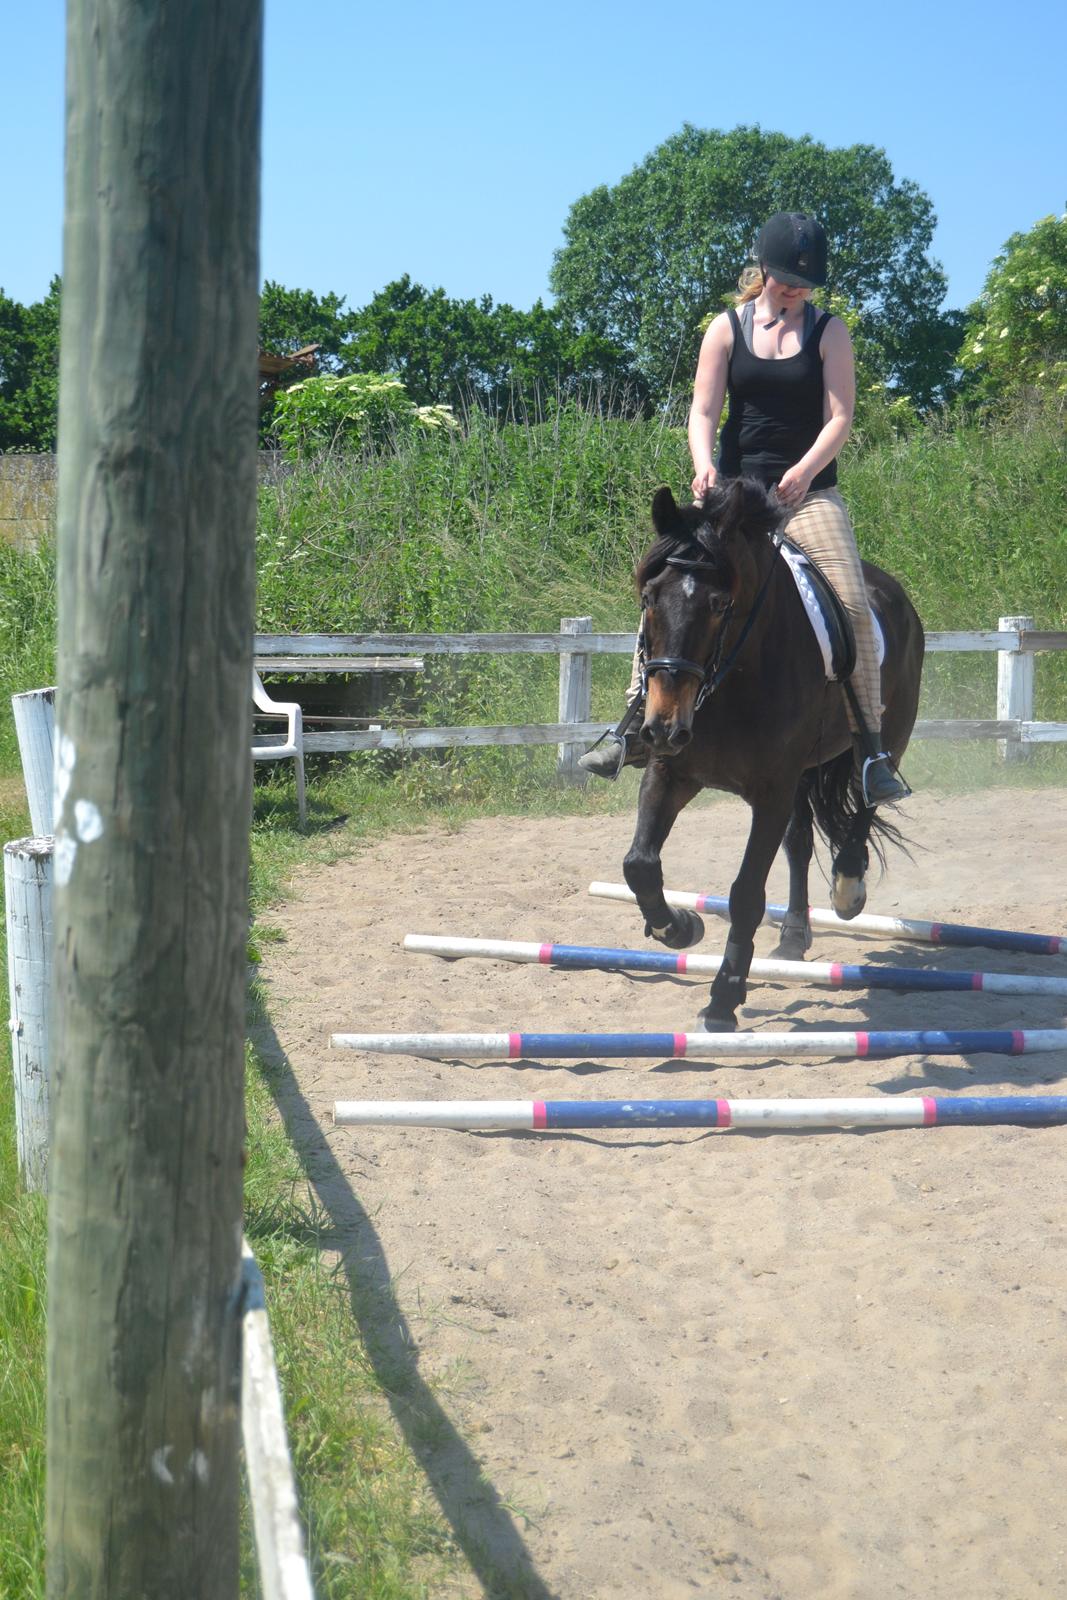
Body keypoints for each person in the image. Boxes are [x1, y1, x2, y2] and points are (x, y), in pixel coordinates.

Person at [579, 211, 909, 806]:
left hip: (807, 497)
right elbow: (703, 412)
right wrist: (704, 464)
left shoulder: (830, 332)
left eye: (805, 284)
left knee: (855, 605)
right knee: (672, 588)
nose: (796, 290)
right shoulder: (725, 329)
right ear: (762, 271)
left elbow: (840, 417)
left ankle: (871, 750)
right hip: (733, 499)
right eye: (786, 280)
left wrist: (804, 473)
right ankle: (631, 727)